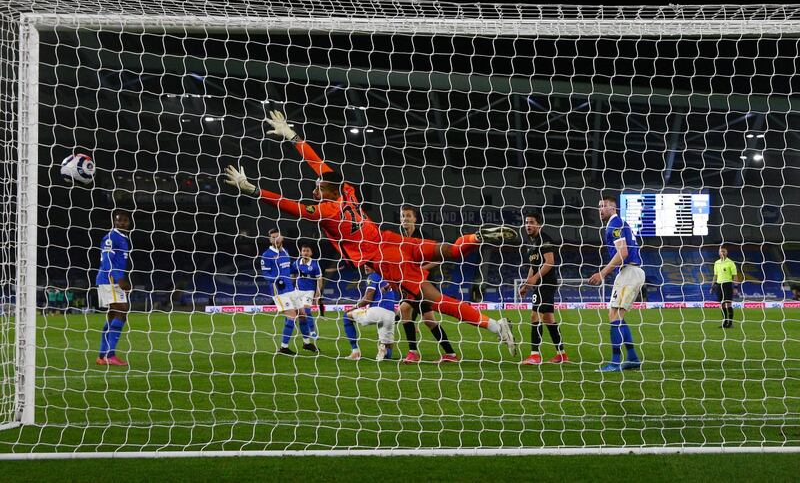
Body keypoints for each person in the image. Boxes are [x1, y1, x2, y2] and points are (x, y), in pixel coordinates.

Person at [224, 110, 517, 355]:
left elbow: (290, 206)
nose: (313, 189)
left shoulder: (327, 210)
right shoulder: (347, 190)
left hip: (384, 257)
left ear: (328, 190)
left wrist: (252, 189)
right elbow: (317, 163)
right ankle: (476, 238)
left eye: (317, 187)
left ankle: (494, 325)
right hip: (393, 239)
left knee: (436, 300)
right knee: (450, 250)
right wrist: (293, 136)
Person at [395, 205, 458, 364]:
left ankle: (413, 352)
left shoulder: (423, 236)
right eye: (403, 216)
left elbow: (439, 258)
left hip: (426, 282)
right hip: (411, 282)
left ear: (415, 219)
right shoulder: (400, 239)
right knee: (428, 319)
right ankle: (450, 354)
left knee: (404, 309)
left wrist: (420, 269)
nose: (405, 219)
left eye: (408, 216)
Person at [588, 196, 644, 372]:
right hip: (632, 271)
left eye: (604, 206)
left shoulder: (614, 225)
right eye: (599, 206)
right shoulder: (618, 223)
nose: (600, 210)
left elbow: (623, 252)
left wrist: (602, 273)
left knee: (614, 314)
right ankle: (633, 358)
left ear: (613, 209)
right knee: (616, 314)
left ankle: (615, 362)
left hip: (630, 270)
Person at [518, 212, 568, 365]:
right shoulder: (530, 243)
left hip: (546, 283)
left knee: (535, 316)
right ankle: (561, 355)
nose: (528, 225)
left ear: (539, 224)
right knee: (548, 319)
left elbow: (550, 262)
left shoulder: (544, 239)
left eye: (531, 222)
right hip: (540, 283)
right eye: (526, 222)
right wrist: (527, 283)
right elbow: (533, 267)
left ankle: (535, 355)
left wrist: (535, 278)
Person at [261, 229, 318, 355]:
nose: (275, 239)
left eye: (277, 237)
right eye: (273, 237)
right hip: (279, 291)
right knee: (292, 316)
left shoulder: (285, 251)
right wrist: (276, 279)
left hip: (291, 289)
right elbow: (265, 274)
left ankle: (306, 343)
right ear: (270, 240)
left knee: (303, 314)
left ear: (282, 238)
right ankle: (283, 347)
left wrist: (301, 267)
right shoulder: (266, 255)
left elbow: (290, 268)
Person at [95, 210, 132, 366]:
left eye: (125, 220)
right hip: (108, 279)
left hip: (110, 279)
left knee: (112, 315)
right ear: (114, 222)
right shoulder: (111, 237)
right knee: (122, 311)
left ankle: (102, 356)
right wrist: (119, 279)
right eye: (119, 220)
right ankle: (110, 355)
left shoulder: (123, 238)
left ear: (129, 222)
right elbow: (107, 260)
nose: (122, 223)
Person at [342, 265, 397, 361]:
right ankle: (384, 351)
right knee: (388, 348)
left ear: (375, 266)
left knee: (346, 316)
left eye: (369, 265)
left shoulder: (373, 276)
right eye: (365, 265)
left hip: (377, 310)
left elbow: (368, 299)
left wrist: (354, 307)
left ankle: (355, 352)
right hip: (391, 314)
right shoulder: (387, 277)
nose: (366, 267)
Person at [292, 242, 322, 343]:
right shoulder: (296, 263)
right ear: (301, 252)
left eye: (307, 251)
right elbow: (292, 275)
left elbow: (319, 279)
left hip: (309, 291)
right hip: (297, 291)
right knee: (296, 313)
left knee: (307, 311)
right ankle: (300, 331)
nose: (305, 253)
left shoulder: (314, 264)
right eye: (303, 251)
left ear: (311, 253)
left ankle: (312, 331)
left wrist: (317, 293)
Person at [711, 245, 739, 328]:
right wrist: (712, 286)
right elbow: (715, 275)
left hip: (728, 284)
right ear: (719, 253)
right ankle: (724, 322)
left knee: (728, 304)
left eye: (724, 251)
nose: (722, 252)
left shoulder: (730, 263)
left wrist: (735, 287)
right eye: (721, 251)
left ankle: (730, 323)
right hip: (719, 285)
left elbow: (735, 276)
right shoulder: (716, 263)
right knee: (722, 304)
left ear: (727, 253)